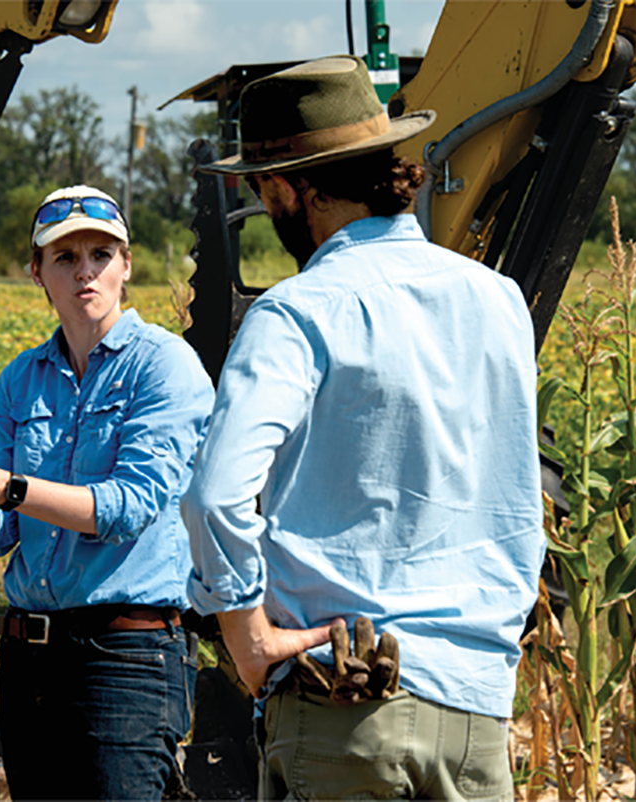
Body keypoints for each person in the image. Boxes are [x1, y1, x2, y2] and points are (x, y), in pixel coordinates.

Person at [182, 56, 544, 800]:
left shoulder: (298, 311)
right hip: (476, 711)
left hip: (344, 699)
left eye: (260, 187)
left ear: (287, 188)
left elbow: (217, 497)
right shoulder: (501, 301)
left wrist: (247, 639)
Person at [0, 185, 215, 801]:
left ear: (127, 264)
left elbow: (131, 507)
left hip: (126, 651)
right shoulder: (22, 378)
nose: (85, 270)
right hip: (29, 655)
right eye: (65, 258)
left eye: (100, 253)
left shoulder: (163, 366)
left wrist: (4, 487)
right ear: (36, 273)